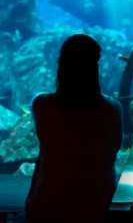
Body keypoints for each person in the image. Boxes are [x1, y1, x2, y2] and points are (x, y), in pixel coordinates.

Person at [24, 34, 123, 223]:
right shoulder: (112, 109)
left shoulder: (41, 104)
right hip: (99, 209)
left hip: (47, 209)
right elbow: (112, 152)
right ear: (95, 68)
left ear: (61, 67)